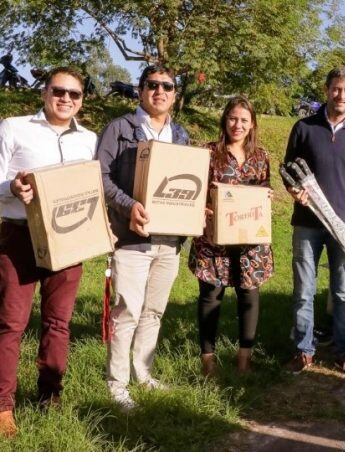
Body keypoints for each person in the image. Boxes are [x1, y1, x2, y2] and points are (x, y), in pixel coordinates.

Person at [0, 67, 97, 437]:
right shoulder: (13, 127)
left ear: (81, 100)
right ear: (45, 92)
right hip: (20, 236)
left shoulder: (89, 139)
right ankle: (3, 406)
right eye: (60, 91)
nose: (66, 99)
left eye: (74, 94)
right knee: (11, 323)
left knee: (58, 323)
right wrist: (12, 187)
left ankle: (49, 394)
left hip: (70, 239)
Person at [98, 65, 191, 410]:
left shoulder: (181, 136)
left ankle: (143, 373)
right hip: (131, 238)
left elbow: (187, 185)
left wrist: (194, 214)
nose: (160, 91)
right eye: (152, 85)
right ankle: (117, 384)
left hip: (169, 242)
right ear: (140, 91)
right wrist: (128, 205)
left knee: (153, 311)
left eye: (167, 86)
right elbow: (101, 177)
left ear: (174, 95)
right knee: (127, 312)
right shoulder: (119, 129)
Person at [283, 66, 345, 377]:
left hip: (342, 228)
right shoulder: (304, 128)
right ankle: (303, 352)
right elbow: (288, 170)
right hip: (306, 224)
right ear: (326, 90)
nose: (342, 95)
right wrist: (293, 191)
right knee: (304, 290)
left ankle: (343, 353)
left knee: (342, 292)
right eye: (337, 89)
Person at [189, 96, 274, 377]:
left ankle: (244, 359)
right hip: (214, 239)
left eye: (244, 121)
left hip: (250, 238)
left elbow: (264, 190)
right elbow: (195, 192)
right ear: (225, 120)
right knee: (211, 295)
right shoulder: (208, 153)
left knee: (249, 294)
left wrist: (266, 196)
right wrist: (205, 204)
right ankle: (208, 361)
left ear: (252, 125)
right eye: (233, 119)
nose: (238, 125)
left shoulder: (261, 157)